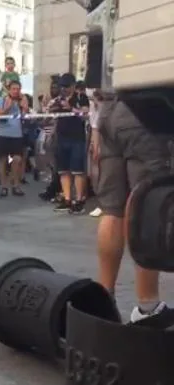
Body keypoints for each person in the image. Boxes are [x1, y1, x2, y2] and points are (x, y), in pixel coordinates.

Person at [96, 94, 172, 322]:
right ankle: (147, 307)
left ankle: (103, 300)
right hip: (148, 111)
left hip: (110, 111)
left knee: (112, 209)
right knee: (151, 205)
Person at [48, 73, 89, 214]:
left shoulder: (81, 98)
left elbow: (85, 115)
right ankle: (67, 199)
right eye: (62, 87)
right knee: (63, 170)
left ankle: (79, 200)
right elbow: (50, 114)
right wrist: (52, 107)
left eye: (66, 86)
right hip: (62, 137)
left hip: (77, 137)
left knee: (78, 170)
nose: (64, 89)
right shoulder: (58, 99)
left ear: (73, 86)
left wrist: (70, 108)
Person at [0, 80, 28, 197]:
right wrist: (7, 109)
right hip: (2, 133)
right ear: (9, 90)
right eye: (13, 89)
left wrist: (24, 107)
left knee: (17, 159)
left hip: (17, 134)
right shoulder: (1, 100)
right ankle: (4, 186)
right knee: (2, 160)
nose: (16, 91)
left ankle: (15, 184)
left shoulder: (21, 100)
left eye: (18, 89)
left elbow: (25, 116)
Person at [88, 90, 103, 217]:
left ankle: (104, 203)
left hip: (108, 142)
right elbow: (94, 127)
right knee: (95, 173)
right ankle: (100, 202)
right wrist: (94, 145)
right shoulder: (94, 108)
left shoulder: (107, 107)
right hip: (98, 140)